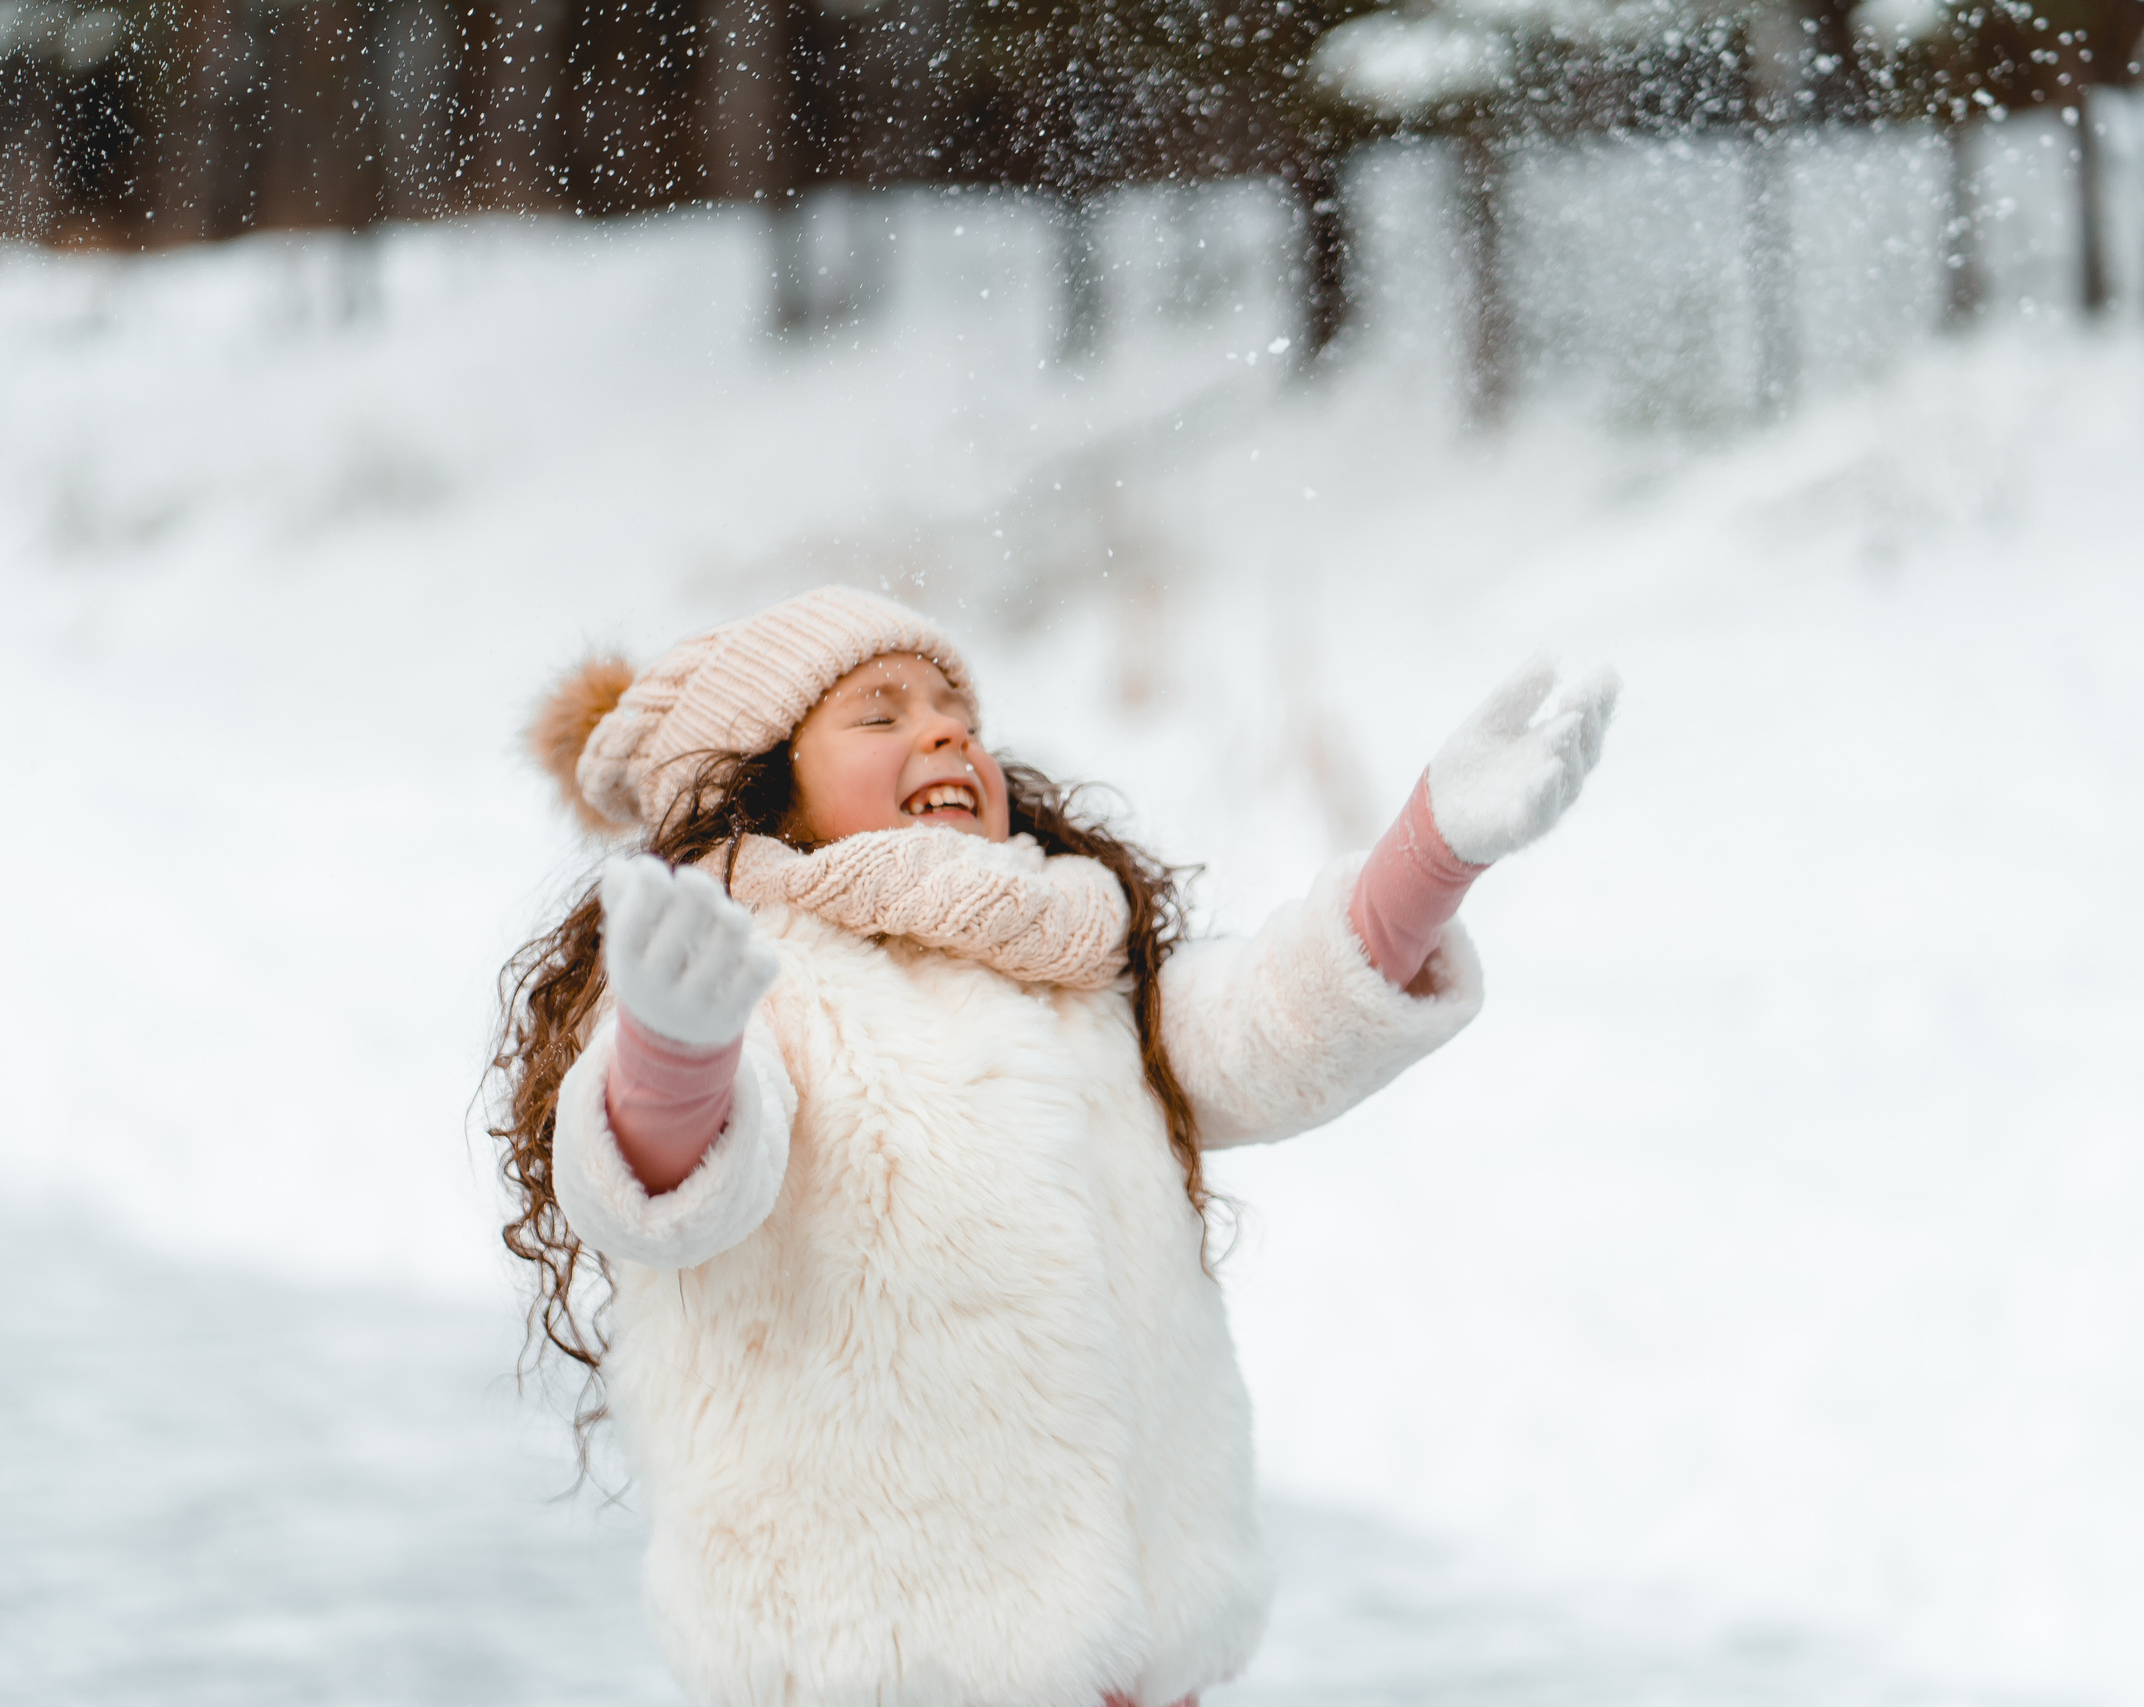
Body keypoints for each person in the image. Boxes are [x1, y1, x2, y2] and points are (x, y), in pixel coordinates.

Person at [492, 585, 1616, 1707]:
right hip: (881, 1657)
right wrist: (677, 1047)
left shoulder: (1070, 958)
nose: (942, 731)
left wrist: (1430, 853)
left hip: (1137, 1650)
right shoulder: (739, 967)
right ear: (766, 784)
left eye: (957, 714)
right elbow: (668, 1188)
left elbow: (1276, 1020)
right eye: (878, 714)